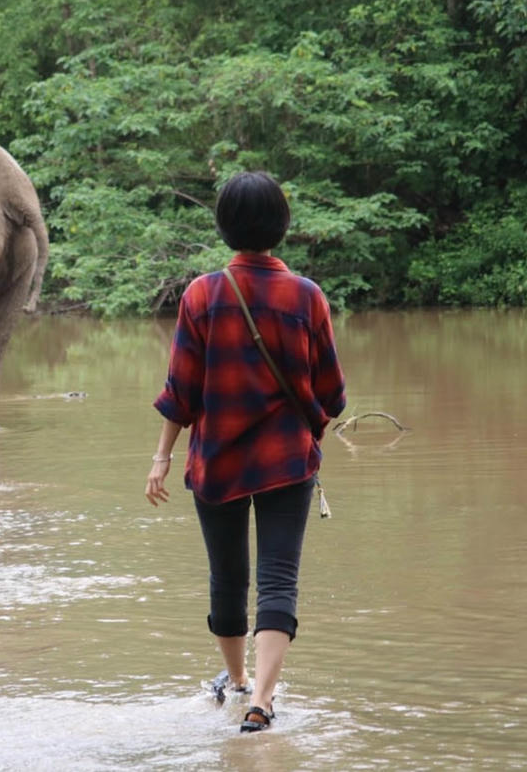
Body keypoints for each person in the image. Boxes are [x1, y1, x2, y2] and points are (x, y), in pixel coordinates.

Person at [144, 171, 346, 733]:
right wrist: (308, 431)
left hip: (217, 460)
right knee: (278, 578)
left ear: (224, 226)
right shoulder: (306, 296)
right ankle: (262, 699)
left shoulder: (201, 295)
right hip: (287, 461)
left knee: (227, 577)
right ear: (281, 224)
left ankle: (235, 683)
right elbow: (332, 392)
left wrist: (162, 457)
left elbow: (181, 390)